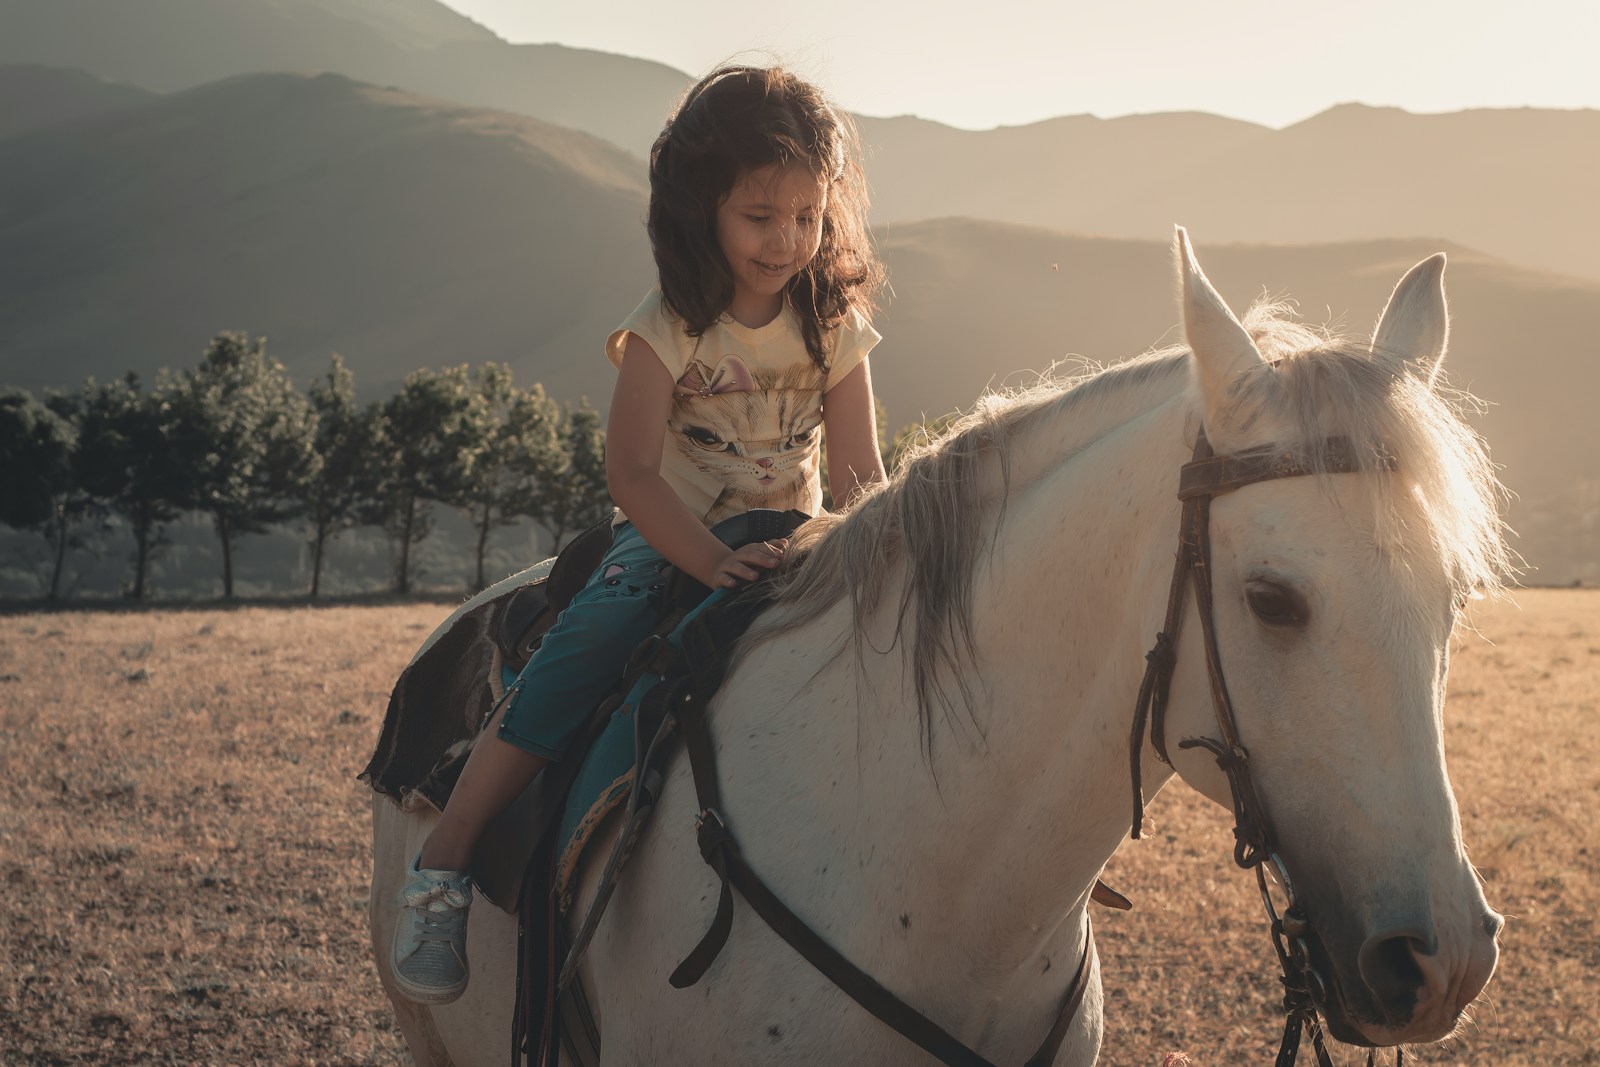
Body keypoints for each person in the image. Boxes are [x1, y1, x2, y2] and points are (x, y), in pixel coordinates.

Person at [390, 64, 889, 1004]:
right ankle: (444, 864)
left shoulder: (835, 329)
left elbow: (863, 474)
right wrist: (707, 558)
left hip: (798, 539)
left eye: (808, 216)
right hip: (674, 536)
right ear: (701, 210)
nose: (788, 241)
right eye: (759, 215)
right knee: (583, 651)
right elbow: (633, 475)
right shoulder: (667, 331)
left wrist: (847, 542)